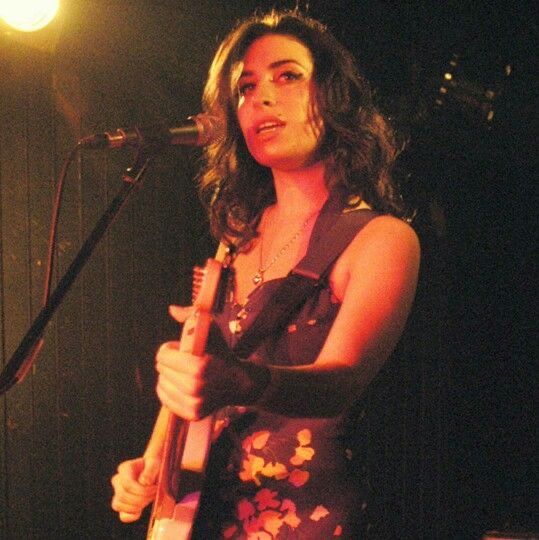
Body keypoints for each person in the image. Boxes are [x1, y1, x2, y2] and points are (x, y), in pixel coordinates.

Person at [111, 9, 420, 539]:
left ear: (334, 95)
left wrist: (238, 380)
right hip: (209, 514)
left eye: (288, 75)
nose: (261, 98)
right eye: (245, 88)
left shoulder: (381, 238)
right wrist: (151, 464)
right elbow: (198, 369)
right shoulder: (235, 239)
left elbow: (340, 383)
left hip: (312, 520)